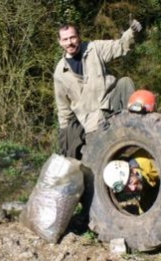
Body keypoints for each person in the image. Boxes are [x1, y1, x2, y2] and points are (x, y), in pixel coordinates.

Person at [54, 19, 142, 159]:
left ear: (79, 37)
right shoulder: (60, 73)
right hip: (91, 123)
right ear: (60, 42)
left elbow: (120, 46)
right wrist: (65, 141)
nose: (70, 42)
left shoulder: (94, 49)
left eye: (72, 37)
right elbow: (63, 109)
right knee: (99, 162)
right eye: (65, 39)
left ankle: (136, 129)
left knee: (125, 82)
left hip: (111, 104)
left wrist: (131, 33)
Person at [103, 149, 159, 214]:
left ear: (133, 170)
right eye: (126, 188)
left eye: (130, 182)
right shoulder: (137, 179)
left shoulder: (147, 161)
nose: (132, 188)